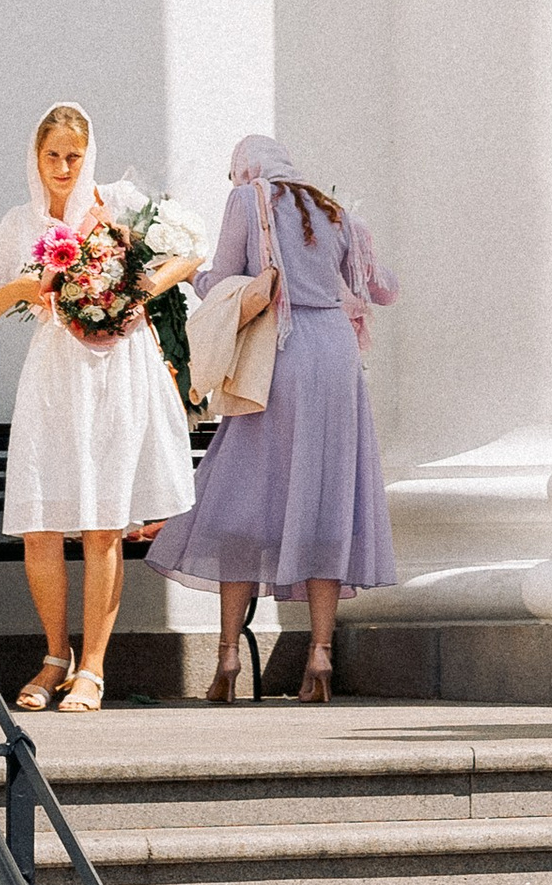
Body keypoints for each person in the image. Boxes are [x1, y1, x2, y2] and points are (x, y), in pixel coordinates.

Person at [0, 102, 203, 711]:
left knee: (103, 523)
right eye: (53, 155)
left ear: (88, 153)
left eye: (74, 155)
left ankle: (93, 667)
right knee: (40, 525)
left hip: (115, 371)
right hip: (53, 376)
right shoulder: (20, 223)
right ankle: (54, 657)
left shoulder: (119, 204)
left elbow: (192, 250)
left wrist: (141, 288)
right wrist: (29, 287)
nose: (63, 167)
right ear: (36, 156)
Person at [148, 136, 398, 704]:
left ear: (246, 167)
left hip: (278, 357)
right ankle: (320, 655)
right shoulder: (334, 211)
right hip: (336, 358)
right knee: (326, 501)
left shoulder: (249, 200)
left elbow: (228, 280)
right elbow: (383, 288)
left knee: (241, 502)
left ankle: (229, 657)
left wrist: (190, 276)